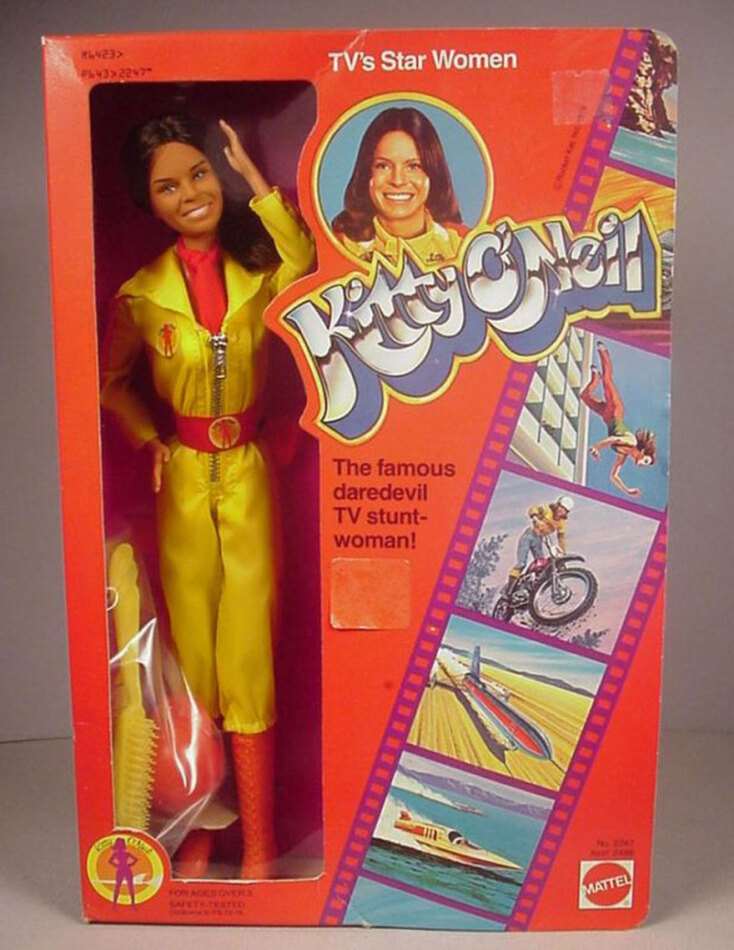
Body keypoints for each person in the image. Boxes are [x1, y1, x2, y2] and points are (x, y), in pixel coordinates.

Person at [100, 114, 315, 879]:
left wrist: (257, 185)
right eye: (168, 185)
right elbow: (110, 382)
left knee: (248, 652)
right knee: (192, 656)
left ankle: (257, 844)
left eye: (199, 173)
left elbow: (304, 265)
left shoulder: (256, 274)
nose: (190, 193)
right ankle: (199, 826)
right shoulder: (141, 296)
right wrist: (147, 440)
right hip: (186, 480)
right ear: (149, 202)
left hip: (248, 473)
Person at [331, 106, 467, 264]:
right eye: (383, 166)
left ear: (433, 174)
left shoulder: (463, 246)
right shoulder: (340, 247)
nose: (397, 180)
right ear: (366, 174)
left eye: (413, 166)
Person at [580, 341, 656, 498]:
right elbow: (614, 438)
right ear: (642, 452)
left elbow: (614, 476)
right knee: (607, 381)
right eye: (646, 461)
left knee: (584, 396)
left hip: (606, 417)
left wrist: (627, 491)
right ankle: (603, 352)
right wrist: (597, 447)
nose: (643, 465)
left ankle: (595, 377)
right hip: (616, 411)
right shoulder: (631, 442)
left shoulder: (623, 455)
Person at [507, 496, 575, 594]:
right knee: (521, 564)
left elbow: (561, 538)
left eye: (565, 510)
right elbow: (534, 509)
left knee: (541, 565)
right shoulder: (547, 510)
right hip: (529, 535)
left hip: (539, 540)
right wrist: (535, 516)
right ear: (557, 505)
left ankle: (528, 586)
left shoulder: (561, 523)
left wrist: (563, 552)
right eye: (561, 507)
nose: (561, 511)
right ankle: (508, 590)